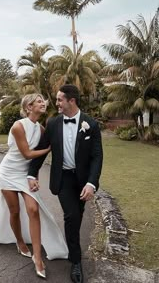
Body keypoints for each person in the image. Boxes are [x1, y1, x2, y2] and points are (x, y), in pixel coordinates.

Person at [0, 93, 68, 279]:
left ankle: (38, 258)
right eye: (38, 101)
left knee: (33, 209)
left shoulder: (41, 129)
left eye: (43, 101)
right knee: (14, 211)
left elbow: (37, 160)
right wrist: (50, 149)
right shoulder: (18, 126)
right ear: (28, 107)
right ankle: (19, 241)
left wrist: (34, 176)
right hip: (8, 173)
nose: (43, 103)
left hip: (24, 175)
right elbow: (27, 154)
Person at [28, 85, 103, 283]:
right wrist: (31, 174)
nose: (57, 103)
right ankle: (76, 262)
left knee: (76, 216)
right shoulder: (52, 123)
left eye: (60, 99)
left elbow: (97, 156)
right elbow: (42, 149)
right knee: (71, 216)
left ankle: (72, 247)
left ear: (72, 101)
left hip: (82, 180)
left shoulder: (91, 124)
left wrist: (91, 183)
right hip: (63, 179)